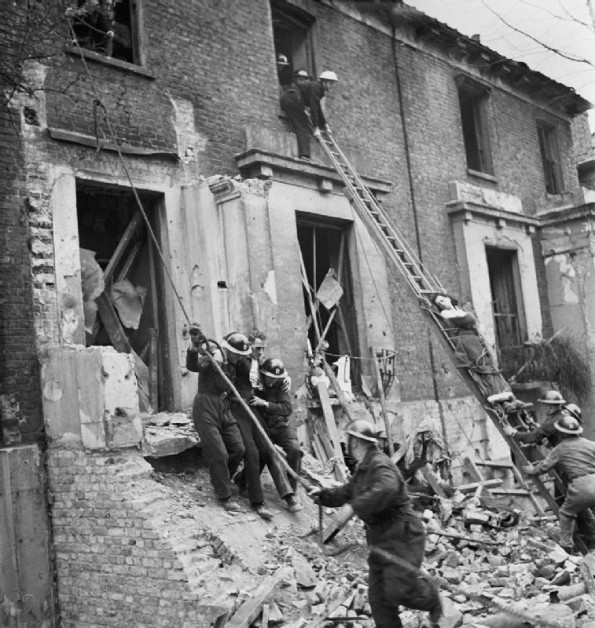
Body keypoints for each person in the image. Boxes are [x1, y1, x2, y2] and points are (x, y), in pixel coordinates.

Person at [307, 420, 442, 628]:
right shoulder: (364, 469)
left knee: (398, 590)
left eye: (348, 439)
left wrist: (354, 506)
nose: (345, 443)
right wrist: (324, 496)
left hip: (403, 536)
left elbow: (387, 487)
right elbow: (346, 491)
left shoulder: (380, 463)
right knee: (379, 600)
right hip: (380, 540)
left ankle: (431, 596)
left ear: (357, 442)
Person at [186, 326, 245, 512]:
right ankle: (224, 495)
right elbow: (193, 366)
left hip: (224, 407)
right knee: (219, 452)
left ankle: (223, 480)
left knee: (238, 448)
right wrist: (194, 348)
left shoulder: (232, 364)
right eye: (236, 353)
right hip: (206, 407)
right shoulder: (212, 357)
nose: (239, 357)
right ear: (227, 349)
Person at [523, 416, 595, 551]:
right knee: (585, 510)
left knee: (566, 513)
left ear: (562, 433)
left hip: (581, 485)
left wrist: (532, 470)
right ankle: (593, 540)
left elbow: (545, 466)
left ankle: (567, 546)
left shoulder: (560, 448)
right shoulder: (590, 443)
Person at [223, 332, 275, 520]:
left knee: (267, 450)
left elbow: (262, 384)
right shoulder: (237, 361)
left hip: (252, 408)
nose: (260, 352)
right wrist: (235, 396)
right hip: (238, 408)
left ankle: (241, 481)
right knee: (251, 451)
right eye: (256, 348)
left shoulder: (256, 363)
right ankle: (257, 501)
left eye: (262, 348)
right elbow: (226, 384)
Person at [432, 293, 513, 404]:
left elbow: (470, 320)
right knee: (481, 365)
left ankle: (503, 394)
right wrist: (470, 317)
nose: (442, 304)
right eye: (439, 304)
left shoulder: (458, 309)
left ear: (448, 298)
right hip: (466, 342)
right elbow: (468, 320)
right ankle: (495, 394)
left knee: (489, 364)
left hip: (476, 339)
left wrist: (470, 319)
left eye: (442, 300)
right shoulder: (445, 313)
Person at [250, 358, 302, 511]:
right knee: (271, 453)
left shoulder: (281, 384)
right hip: (261, 428)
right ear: (263, 374)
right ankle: (289, 497)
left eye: (276, 378)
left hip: (280, 426)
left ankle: (293, 489)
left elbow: (287, 409)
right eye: (269, 377)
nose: (272, 381)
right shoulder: (255, 383)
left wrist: (265, 404)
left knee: (294, 448)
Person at [280, 70, 338, 161]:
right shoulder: (316, 87)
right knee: (303, 125)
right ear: (325, 81)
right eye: (331, 83)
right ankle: (304, 155)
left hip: (291, 99)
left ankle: (304, 154)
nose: (332, 86)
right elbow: (313, 108)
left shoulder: (318, 88)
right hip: (292, 99)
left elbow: (318, 108)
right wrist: (316, 128)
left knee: (303, 123)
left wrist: (325, 125)